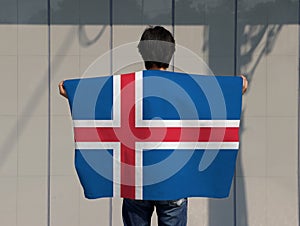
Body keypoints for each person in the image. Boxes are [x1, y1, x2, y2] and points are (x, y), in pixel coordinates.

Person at [59, 26, 248, 226]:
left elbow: (73, 90)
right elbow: (236, 88)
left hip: (137, 181)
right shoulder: (187, 88)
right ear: (171, 53)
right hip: (174, 183)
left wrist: (72, 91)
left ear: (142, 52)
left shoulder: (126, 87)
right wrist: (236, 88)